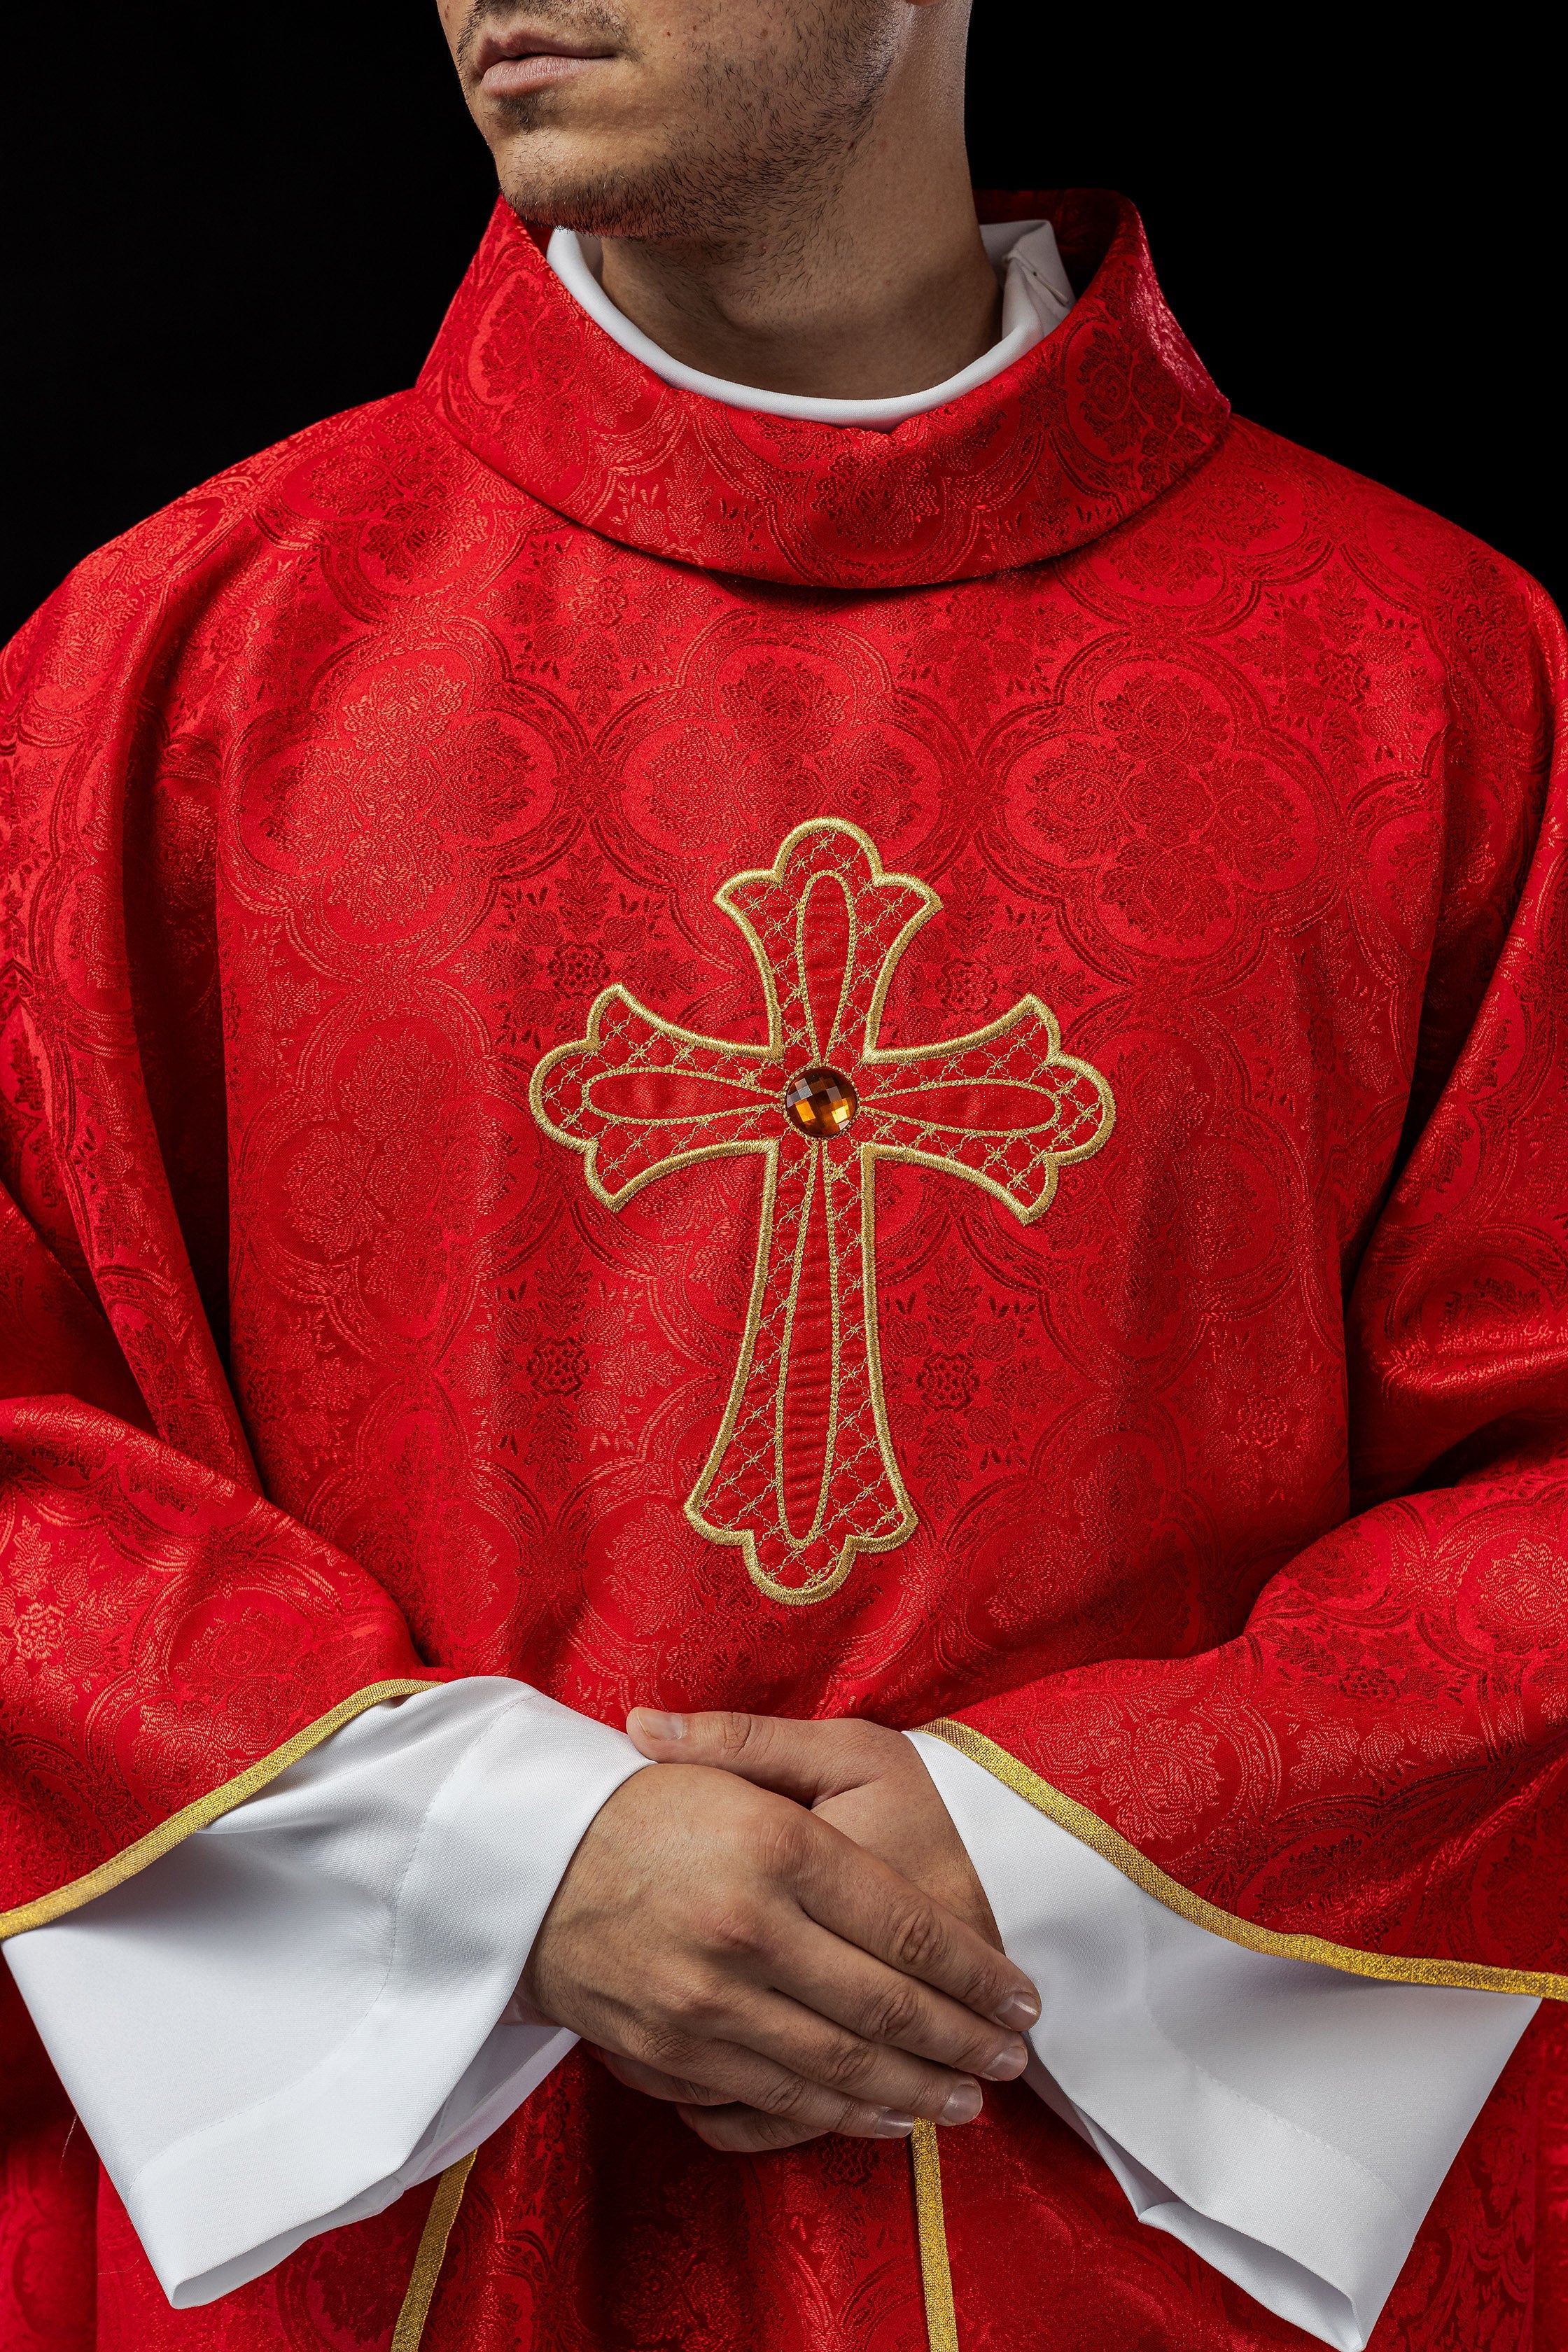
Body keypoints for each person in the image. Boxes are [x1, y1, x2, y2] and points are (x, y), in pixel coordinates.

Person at [1, 2, 1564, 2347]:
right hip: (390, 2251)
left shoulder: (1425, 681)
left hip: (1119, 2239)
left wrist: (1066, 1855)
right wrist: (497, 1860)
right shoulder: (175, 663)